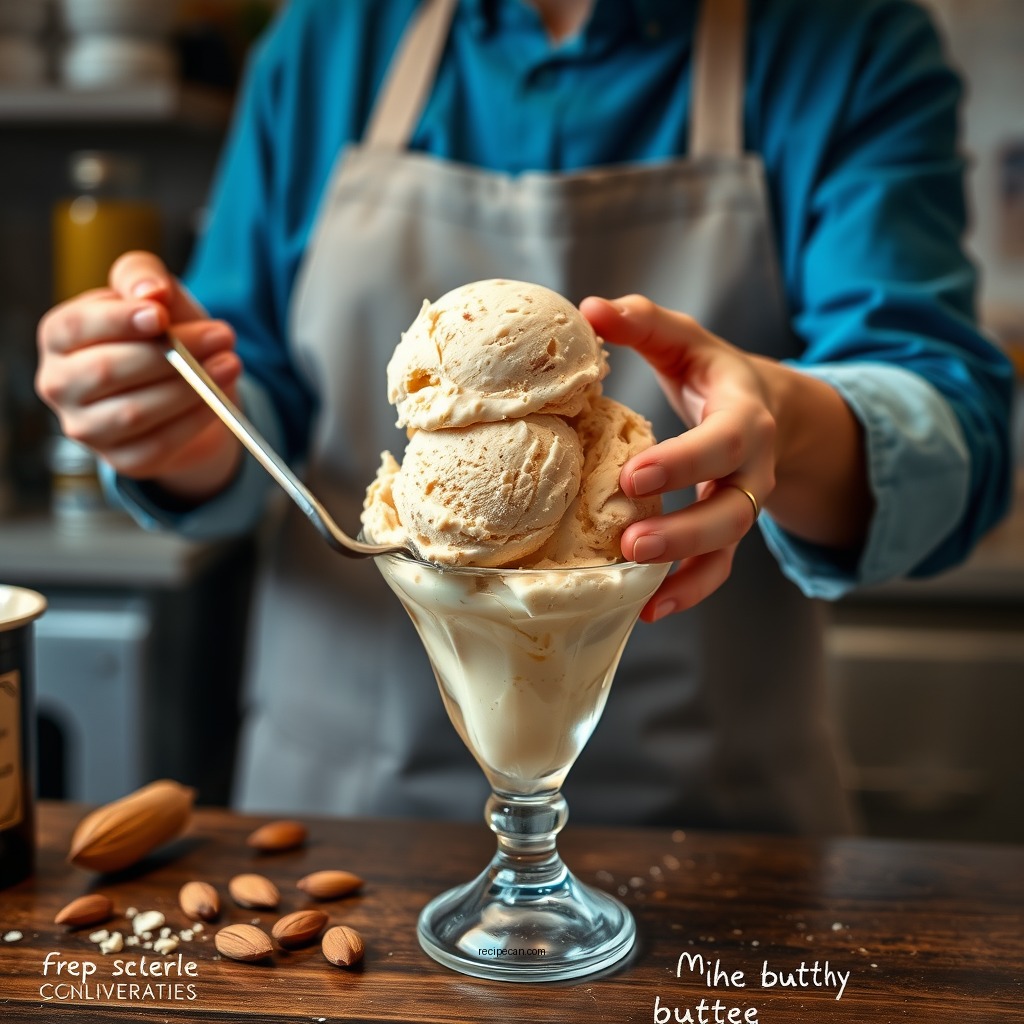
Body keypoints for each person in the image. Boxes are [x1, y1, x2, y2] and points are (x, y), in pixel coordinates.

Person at [35, 0, 1013, 834]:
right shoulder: (332, 34)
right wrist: (185, 422)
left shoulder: (842, 39)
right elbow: (256, 400)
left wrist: (785, 423)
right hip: (346, 823)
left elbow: (958, 438)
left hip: (709, 836)